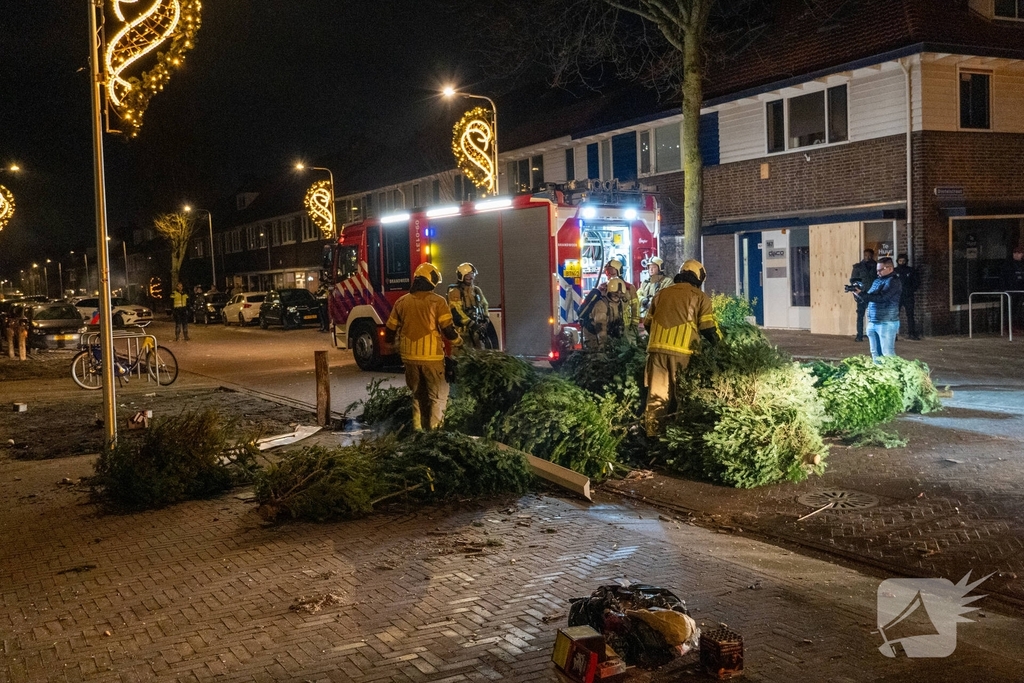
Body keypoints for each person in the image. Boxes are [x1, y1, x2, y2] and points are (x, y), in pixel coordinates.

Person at [643, 259, 720, 436]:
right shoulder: (700, 297)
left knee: (657, 396)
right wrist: (720, 347)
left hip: (656, 352)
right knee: (684, 396)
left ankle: (653, 435)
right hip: (683, 354)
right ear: (698, 278)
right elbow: (708, 328)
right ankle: (680, 437)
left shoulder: (661, 294)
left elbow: (647, 324)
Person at [384, 263, 461, 430]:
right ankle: (434, 436)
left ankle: (418, 433)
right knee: (437, 398)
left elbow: (389, 330)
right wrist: (459, 343)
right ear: (430, 280)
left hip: (409, 359)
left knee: (418, 396)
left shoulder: (401, 302)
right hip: (432, 358)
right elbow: (448, 330)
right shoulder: (438, 302)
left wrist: (393, 345)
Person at [853, 257, 902, 362]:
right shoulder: (877, 281)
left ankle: (893, 375)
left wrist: (862, 294)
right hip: (874, 320)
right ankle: (880, 375)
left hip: (886, 321)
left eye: (880, 270)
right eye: (877, 270)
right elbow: (870, 297)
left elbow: (883, 298)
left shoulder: (894, 281)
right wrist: (858, 294)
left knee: (887, 353)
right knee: (875, 353)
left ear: (890, 269)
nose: (878, 273)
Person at [447, 262, 494, 349]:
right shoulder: (455, 292)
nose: (470, 277)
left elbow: (484, 304)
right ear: (461, 276)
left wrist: (486, 318)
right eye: (467, 275)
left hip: (477, 332)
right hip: (461, 333)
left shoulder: (476, 290)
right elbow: (457, 311)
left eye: (472, 274)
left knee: (479, 357)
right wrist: (471, 324)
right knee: (462, 358)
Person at [579, 277, 627, 347]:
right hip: (593, 334)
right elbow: (600, 327)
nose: (617, 297)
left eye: (620, 294)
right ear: (608, 292)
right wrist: (603, 345)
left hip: (607, 332)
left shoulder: (620, 304)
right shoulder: (601, 305)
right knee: (596, 355)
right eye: (614, 294)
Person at [604, 258, 640, 339]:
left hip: (626, 326)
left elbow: (635, 306)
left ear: (618, 271)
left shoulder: (629, 288)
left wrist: (634, 324)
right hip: (609, 326)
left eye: (611, 271)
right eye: (607, 271)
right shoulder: (603, 288)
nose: (609, 274)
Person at [850, 249, 877, 341]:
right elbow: (853, 281)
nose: (867, 257)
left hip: (873, 293)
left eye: (869, 256)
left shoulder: (877, 266)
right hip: (861, 293)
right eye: (866, 255)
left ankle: (873, 335)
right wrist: (855, 293)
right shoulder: (858, 267)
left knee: (874, 315)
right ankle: (859, 335)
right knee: (860, 315)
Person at [893, 253, 920, 340]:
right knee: (895, 316)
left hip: (908, 296)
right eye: (900, 261)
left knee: (910, 315)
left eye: (903, 261)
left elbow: (916, 282)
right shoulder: (894, 271)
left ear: (906, 261)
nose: (902, 262)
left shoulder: (911, 270)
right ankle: (894, 335)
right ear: (897, 261)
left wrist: (911, 290)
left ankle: (911, 333)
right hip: (897, 296)